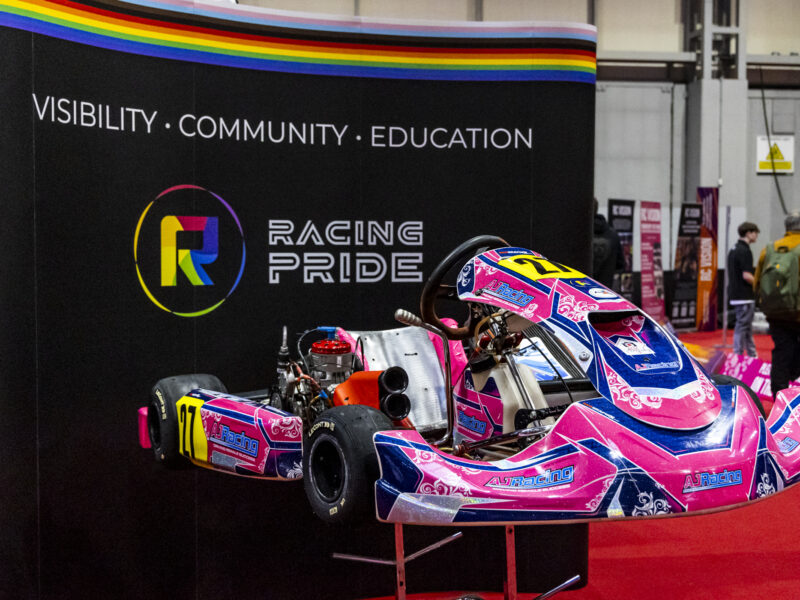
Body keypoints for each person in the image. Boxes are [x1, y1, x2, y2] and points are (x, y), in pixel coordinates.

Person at [754, 211, 800, 397]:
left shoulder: (770, 248)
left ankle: (779, 394)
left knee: (781, 351)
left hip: (775, 312)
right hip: (798, 312)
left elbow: (758, 280)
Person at [727, 221, 759, 357]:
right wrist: (760, 284)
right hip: (744, 296)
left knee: (745, 327)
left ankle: (751, 353)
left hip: (735, 294)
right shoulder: (745, 251)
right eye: (755, 233)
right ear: (749, 233)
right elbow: (747, 275)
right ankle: (738, 353)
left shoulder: (733, 249)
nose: (757, 236)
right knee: (742, 326)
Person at [592, 198, 623, 288]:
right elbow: (620, 265)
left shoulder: (580, 235)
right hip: (606, 290)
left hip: (583, 290)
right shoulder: (613, 235)